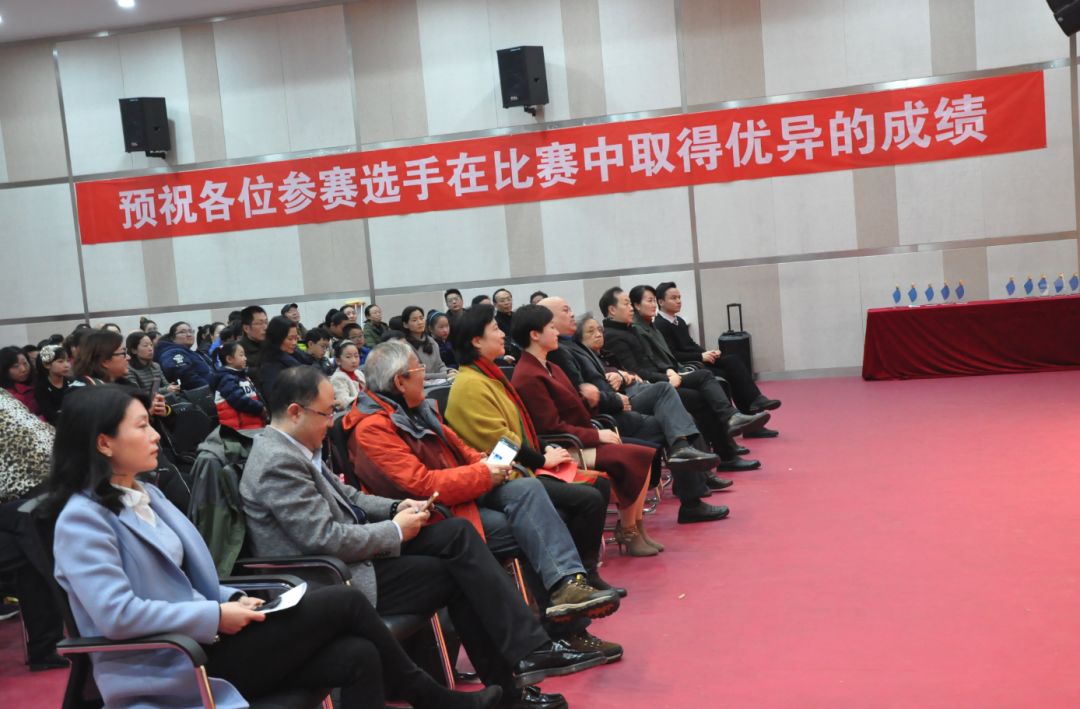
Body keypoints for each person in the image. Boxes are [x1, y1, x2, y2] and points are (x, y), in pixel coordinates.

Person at [47, 385, 502, 709]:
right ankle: (432, 698)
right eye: (143, 426)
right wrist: (214, 615)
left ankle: (434, 695)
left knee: (358, 656)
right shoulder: (82, 519)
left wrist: (231, 598)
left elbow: (185, 582)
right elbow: (118, 615)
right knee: (344, 601)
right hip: (173, 661)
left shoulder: (148, 493)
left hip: (206, 638)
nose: (154, 436)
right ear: (104, 442)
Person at [241, 366, 602, 709]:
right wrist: (396, 529)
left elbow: (348, 498)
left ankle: (523, 661)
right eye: (326, 413)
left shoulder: (297, 447)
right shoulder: (278, 462)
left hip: (351, 560)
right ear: (295, 412)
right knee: (458, 568)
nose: (331, 421)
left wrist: (397, 506)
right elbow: (324, 539)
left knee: (457, 535)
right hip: (329, 578)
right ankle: (519, 671)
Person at [346, 341, 624, 658]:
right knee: (535, 526)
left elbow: (463, 451)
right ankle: (562, 631)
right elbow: (420, 485)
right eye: (419, 369)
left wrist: (488, 465)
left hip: (465, 493)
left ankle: (570, 587)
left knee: (529, 491)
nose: (424, 375)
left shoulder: (418, 409)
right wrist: (483, 473)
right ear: (400, 381)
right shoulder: (372, 428)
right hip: (434, 514)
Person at [445, 306, 615, 591]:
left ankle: (584, 576)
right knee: (588, 499)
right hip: (501, 479)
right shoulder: (469, 384)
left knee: (598, 486)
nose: (502, 334)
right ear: (476, 341)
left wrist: (544, 450)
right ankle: (578, 579)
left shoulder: (489, 376)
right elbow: (500, 442)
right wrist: (541, 459)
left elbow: (522, 429)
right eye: (495, 329)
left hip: (520, 468)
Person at [509, 306, 658, 556]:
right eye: (551, 327)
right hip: (565, 446)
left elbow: (575, 408)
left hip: (580, 437)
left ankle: (636, 525)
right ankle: (628, 529)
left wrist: (593, 408)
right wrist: (597, 435)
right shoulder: (528, 375)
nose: (557, 332)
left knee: (645, 452)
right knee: (635, 456)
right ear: (535, 335)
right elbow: (551, 427)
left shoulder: (551, 367)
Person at [599, 287, 764, 472]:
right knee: (700, 396)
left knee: (711, 378)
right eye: (627, 304)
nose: (631, 308)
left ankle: (730, 428)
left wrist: (669, 371)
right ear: (612, 310)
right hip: (647, 389)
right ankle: (720, 453)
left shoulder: (630, 329)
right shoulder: (615, 336)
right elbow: (636, 372)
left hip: (660, 379)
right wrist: (667, 376)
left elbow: (652, 361)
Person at [654, 282, 781, 432]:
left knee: (733, 360)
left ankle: (754, 404)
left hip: (696, 359)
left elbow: (690, 344)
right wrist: (701, 356)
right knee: (724, 375)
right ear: (661, 302)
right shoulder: (660, 325)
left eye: (679, 297)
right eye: (673, 298)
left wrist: (709, 352)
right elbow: (673, 355)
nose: (678, 301)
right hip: (686, 366)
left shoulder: (679, 321)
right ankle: (742, 420)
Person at [0, 390, 65, 671]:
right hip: (21, 494)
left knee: (30, 538)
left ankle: (45, 648)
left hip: (32, 492)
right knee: (31, 532)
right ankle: (46, 647)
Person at [214, 342, 265, 429]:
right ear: (229, 359)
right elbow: (238, 400)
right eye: (241, 355)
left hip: (251, 426)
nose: (245, 358)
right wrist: (260, 408)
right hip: (239, 430)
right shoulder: (226, 379)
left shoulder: (242, 376)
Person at [402, 306, 456, 384]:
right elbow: (416, 374)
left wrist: (449, 371)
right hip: (419, 384)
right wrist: (444, 375)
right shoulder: (405, 346)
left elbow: (440, 365)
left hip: (438, 381)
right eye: (414, 320)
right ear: (405, 324)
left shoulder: (431, 341)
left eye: (421, 318)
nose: (420, 322)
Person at [155, 322, 214, 390]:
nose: (189, 334)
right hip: (198, 393)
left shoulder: (189, 352)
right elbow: (186, 377)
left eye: (190, 331)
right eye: (182, 332)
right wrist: (210, 389)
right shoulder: (172, 353)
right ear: (173, 338)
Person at [258, 315, 303, 404]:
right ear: (277, 338)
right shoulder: (270, 365)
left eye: (296, 338)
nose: (294, 343)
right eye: (290, 339)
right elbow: (274, 398)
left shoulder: (296, 355)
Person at [125, 331, 172, 399]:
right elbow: (138, 394)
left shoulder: (156, 366)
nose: (150, 349)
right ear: (134, 350)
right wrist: (166, 390)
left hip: (162, 400)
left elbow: (166, 385)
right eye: (145, 345)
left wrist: (172, 388)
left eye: (151, 345)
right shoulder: (129, 370)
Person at [33, 344, 72, 425]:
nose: (66, 365)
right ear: (47, 365)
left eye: (67, 361)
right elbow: (50, 416)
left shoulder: (72, 381)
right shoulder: (41, 388)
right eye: (60, 361)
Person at [1, 345, 40, 416]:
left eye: (25, 363)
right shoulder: (6, 396)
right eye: (16, 366)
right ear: (4, 370)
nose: (23, 369)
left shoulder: (38, 380)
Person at [331, 340, 366, 411]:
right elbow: (343, 401)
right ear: (338, 360)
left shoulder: (359, 373)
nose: (354, 360)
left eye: (356, 356)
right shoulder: (337, 378)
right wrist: (367, 400)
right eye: (348, 357)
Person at [239, 305, 269, 376]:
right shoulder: (239, 351)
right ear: (246, 328)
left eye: (266, 322)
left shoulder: (272, 345)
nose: (265, 327)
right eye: (260, 323)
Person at [492, 289, 519, 363]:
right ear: (495, 304)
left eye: (509, 299)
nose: (507, 303)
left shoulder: (519, 317)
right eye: (502, 301)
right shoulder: (494, 323)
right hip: (506, 357)